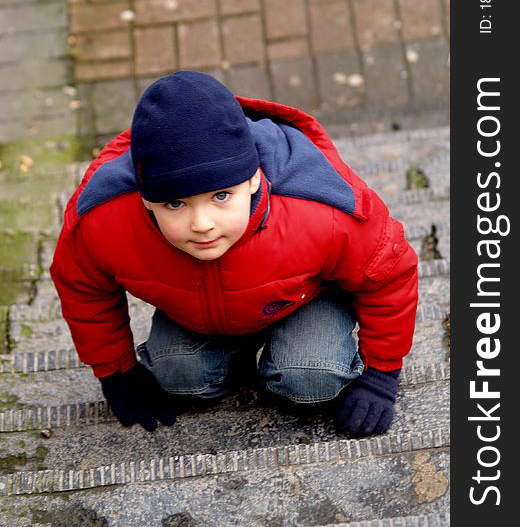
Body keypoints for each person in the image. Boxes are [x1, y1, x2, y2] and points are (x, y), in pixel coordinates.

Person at [50, 71, 418, 436]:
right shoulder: (104, 219)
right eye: (175, 203)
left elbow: (388, 271)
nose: (202, 223)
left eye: (221, 196)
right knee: (178, 375)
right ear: (147, 199)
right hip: (196, 310)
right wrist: (117, 372)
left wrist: (380, 374)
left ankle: (294, 357)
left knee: (311, 378)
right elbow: (83, 286)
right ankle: (236, 360)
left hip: (304, 299)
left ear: (255, 178)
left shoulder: (319, 210)